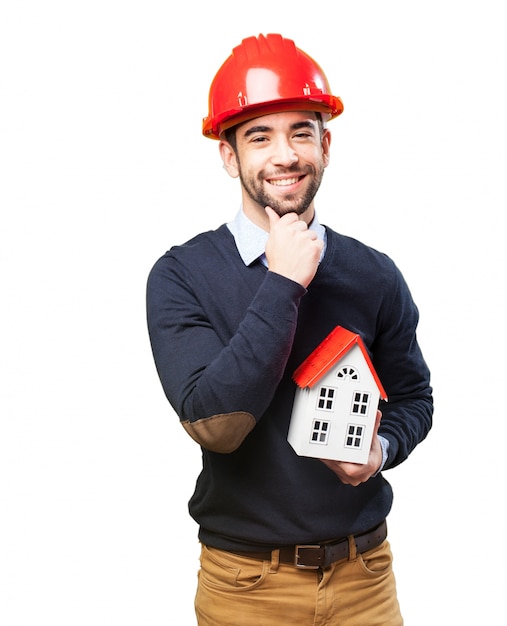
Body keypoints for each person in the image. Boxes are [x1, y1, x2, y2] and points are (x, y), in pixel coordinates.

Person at [146, 33, 433, 626]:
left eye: (302, 131)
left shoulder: (374, 274)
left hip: (366, 580)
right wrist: (284, 283)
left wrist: (381, 450)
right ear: (229, 156)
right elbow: (214, 426)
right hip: (247, 587)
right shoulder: (182, 275)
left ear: (326, 146)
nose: (286, 154)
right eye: (259, 136)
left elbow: (415, 398)